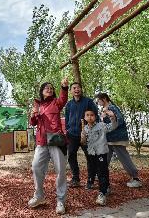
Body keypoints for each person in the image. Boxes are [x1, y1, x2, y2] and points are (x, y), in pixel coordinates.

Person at [28, 78, 69, 215]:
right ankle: (39, 196)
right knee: (36, 167)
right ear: (42, 91)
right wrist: (33, 114)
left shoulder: (55, 102)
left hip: (55, 139)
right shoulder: (37, 105)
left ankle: (61, 200)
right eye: (47, 88)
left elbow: (63, 99)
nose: (50, 89)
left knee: (60, 170)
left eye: (52, 88)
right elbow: (32, 122)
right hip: (41, 141)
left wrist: (64, 87)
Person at [95, 93, 142, 188]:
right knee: (104, 157)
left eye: (98, 100)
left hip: (117, 139)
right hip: (108, 139)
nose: (98, 102)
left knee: (124, 158)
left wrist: (112, 117)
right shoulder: (105, 109)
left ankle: (135, 178)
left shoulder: (112, 107)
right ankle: (100, 175)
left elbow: (119, 120)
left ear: (104, 99)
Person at [65, 82, 99, 189]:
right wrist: (68, 129)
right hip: (72, 134)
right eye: (74, 88)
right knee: (71, 156)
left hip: (87, 134)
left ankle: (90, 180)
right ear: (71, 91)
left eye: (78, 87)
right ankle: (75, 179)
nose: (76, 89)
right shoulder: (69, 104)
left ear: (81, 89)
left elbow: (95, 116)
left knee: (90, 157)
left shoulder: (88, 102)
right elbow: (66, 119)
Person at [81, 108, 117, 206]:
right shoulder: (85, 128)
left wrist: (112, 118)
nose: (89, 117)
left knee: (102, 171)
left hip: (101, 153)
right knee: (96, 171)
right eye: (87, 115)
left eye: (92, 115)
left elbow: (113, 127)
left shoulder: (101, 126)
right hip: (91, 153)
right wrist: (83, 138)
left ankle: (102, 193)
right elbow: (84, 142)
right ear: (84, 117)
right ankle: (106, 186)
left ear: (95, 116)